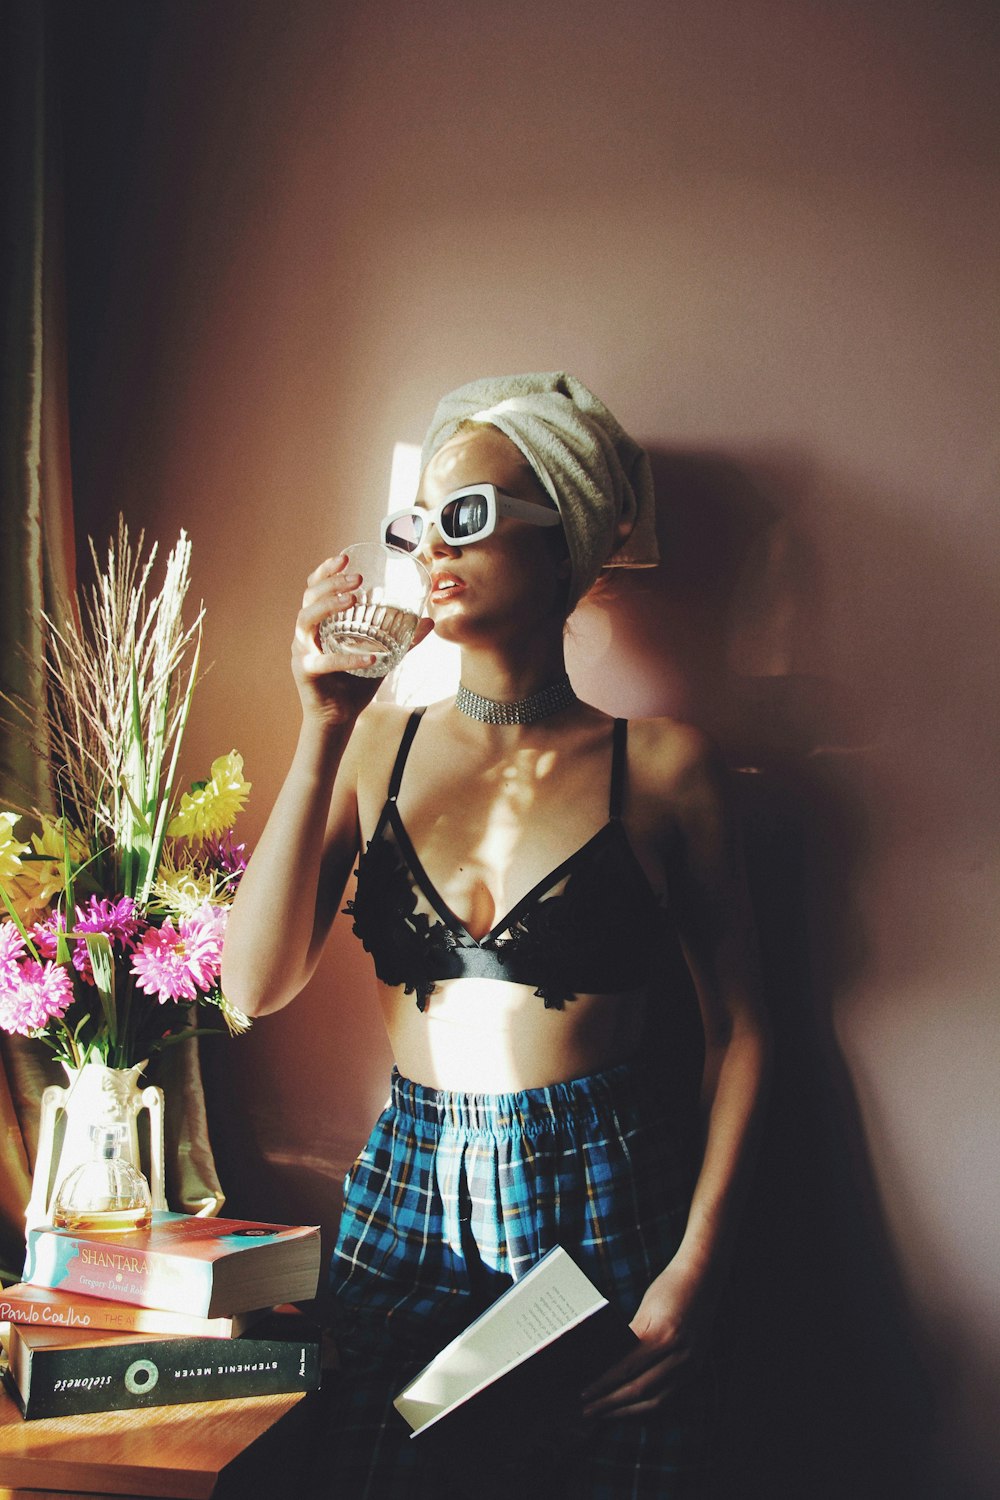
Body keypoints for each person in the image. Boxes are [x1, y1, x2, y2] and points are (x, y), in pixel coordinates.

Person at [221, 373, 770, 1499]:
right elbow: (250, 986)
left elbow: (749, 1034)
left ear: (564, 535)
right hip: (408, 1197)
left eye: (465, 515)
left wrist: (696, 1274)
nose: (431, 545)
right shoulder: (373, 747)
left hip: (603, 1210)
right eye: (416, 521)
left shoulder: (663, 766)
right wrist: (320, 726)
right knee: (381, 1472)